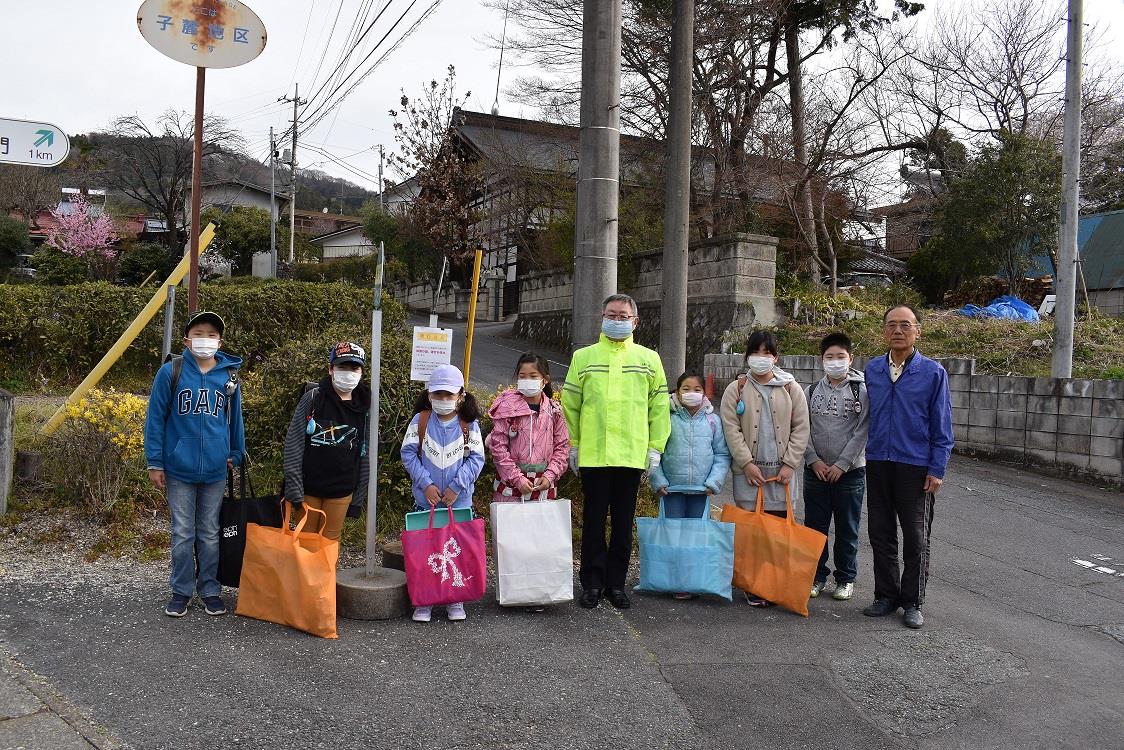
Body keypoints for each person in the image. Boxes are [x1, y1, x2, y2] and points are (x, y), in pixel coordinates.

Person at [562, 293, 671, 611]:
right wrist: (574, 445)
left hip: (631, 454)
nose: (617, 320)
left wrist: (655, 449)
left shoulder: (649, 360)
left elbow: (659, 408)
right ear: (601, 317)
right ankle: (592, 584)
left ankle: (615, 584)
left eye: (624, 316)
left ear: (635, 321)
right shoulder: (584, 357)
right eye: (612, 314)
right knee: (593, 522)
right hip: (595, 454)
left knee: (623, 523)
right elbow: (571, 406)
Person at [144, 310, 246, 618]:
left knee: (209, 532)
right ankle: (181, 590)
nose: (205, 340)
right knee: (183, 532)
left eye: (212, 335)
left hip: (216, 469)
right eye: (199, 334)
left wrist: (235, 452)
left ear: (220, 341)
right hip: (178, 469)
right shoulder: (171, 372)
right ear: (187, 340)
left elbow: (235, 420)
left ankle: (210, 589)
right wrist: (155, 461)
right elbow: (155, 419)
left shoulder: (228, 376)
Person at [862, 304, 953, 629]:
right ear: (884, 331)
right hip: (878, 462)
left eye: (905, 325)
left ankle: (912, 600)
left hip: (915, 466)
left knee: (916, 536)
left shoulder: (932, 373)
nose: (897, 331)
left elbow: (942, 425)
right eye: (891, 325)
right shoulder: (872, 370)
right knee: (881, 532)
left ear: (918, 331)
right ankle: (886, 595)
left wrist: (937, 468)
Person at [719, 329, 809, 606]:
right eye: (755, 353)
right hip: (750, 473)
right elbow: (731, 428)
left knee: (779, 530)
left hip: (782, 473)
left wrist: (790, 464)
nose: (761, 358)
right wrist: (746, 463)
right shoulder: (737, 388)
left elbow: (801, 428)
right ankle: (753, 584)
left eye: (767, 353)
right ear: (747, 357)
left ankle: (776, 583)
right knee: (752, 530)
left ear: (776, 357)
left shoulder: (791, 388)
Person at [485, 352, 571, 612]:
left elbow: (562, 446)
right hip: (511, 483)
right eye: (522, 376)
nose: (527, 381)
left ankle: (538, 591)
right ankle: (511, 591)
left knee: (540, 540)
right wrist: (516, 477)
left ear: (545, 380)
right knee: (512, 539)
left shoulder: (554, 410)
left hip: (543, 483)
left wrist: (550, 475)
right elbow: (498, 447)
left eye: (533, 376)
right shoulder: (506, 408)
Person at [400, 364, 485, 623]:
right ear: (429, 395)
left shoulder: (469, 425)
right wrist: (425, 484)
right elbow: (407, 453)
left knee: (455, 549)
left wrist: (456, 487)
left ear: (461, 395)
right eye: (438, 394)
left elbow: (477, 459)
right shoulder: (421, 421)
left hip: (458, 502)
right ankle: (424, 601)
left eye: (449, 395)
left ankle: (455, 598)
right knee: (426, 549)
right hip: (425, 500)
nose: (443, 400)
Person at [648, 372, 731, 599]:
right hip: (671, 490)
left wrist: (713, 482)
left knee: (696, 538)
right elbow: (655, 451)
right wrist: (658, 480)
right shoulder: (666, 417)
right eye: (685, 389)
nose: (691, 394)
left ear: (704, 393)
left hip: (700, 491)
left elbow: (722, 455)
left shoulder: (713, 421)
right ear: (676, 391)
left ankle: (693, 581)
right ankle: (673, 581)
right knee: (673, 537)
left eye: (696, 389)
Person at [803, 332, 869, 602]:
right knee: (814, 528)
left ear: (850, 358)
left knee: (847, 528)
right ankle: (816, 576)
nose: (835, 362)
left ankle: (845, 578)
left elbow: (863, 431)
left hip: (850, 473)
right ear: (821, 360)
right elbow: (801, 428)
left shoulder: (861, 390)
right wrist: (813, 460)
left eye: (840, 357)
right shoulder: (810, 391)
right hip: (814, 472)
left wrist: (842, 464)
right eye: (829, 357)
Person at [282, 342, 371, 541]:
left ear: (361, 372)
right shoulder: (314, 397)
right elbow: (294, 444)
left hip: (341, 491)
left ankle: (326, 575)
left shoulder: (364, 407)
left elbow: (365, 452)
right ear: (331, 369)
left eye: (354, 368)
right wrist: (294, 489)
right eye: (342, 367)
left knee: (329, 546)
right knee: (305, 544)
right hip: (308, 489)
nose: (348, 373)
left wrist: (358, 497)